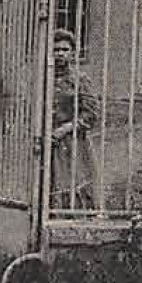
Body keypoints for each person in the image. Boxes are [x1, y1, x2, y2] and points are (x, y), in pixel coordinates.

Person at [47, 29, 99, 212]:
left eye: (64, 50)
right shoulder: (43, 77)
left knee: (73, 185)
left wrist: (66, 128)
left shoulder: (80, 79)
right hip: (46, 141)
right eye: (56, 49)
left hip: (72, 142)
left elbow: (91, 113)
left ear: (72, 53)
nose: (60, 54)